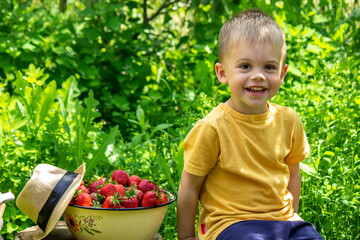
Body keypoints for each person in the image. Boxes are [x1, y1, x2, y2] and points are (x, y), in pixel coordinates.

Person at [177, 9, 324, 240]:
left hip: (283, 220)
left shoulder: (288, 120)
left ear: (283, 73)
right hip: (231, 223)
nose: (258, 76)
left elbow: (293, 175)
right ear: (222, 72)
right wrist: (186, 237)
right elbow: (189, 186)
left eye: (269, 67)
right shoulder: (213, 127)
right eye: (245, 66)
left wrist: (291, 219)